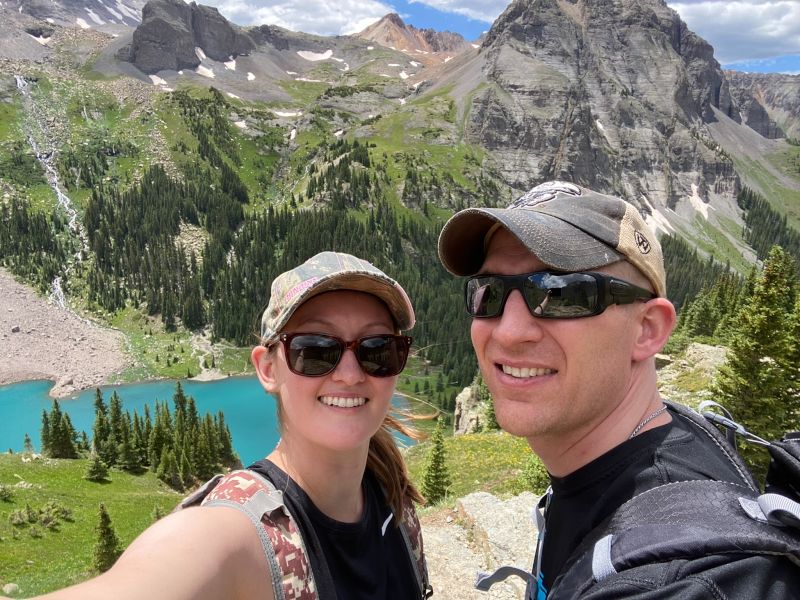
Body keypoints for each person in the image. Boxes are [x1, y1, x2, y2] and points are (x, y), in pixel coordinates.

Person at [437, 181, 800, 598]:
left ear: (647, 330)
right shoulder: (655, 441)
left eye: (561, 293)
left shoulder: (684, 580)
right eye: (490, 293)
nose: (510, 330)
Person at [28, 251, 430, 600]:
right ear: (267, 368)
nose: (348, 373)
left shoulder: (393, 496)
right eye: (315, 350)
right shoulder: (241, 534)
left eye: (377, 349)